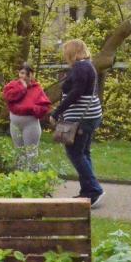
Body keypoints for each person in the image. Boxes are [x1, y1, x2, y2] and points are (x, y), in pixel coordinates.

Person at [50, 39, 105, 208]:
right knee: (83, 152)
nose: (64, 55)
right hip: (90, 116)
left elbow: (77, 92)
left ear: (72, 52)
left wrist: (57, 111)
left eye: (66, 52)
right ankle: (87, 191)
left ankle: (94, 190)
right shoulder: (88, 66)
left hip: (82, 118)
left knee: (75, 153)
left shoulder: (81, 67)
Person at [3, 63, 51, 148]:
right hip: (14, 124)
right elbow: (8, 97)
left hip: (30, 125)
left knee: (31, 153)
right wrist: (22, 88)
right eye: (22, 73)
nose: (24, 76)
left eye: (27, 74)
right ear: (18, 73)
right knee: (18, 151)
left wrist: (32, 109)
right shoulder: (12, 85)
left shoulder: (37, 88)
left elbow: (45, 107)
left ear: (32, 75)